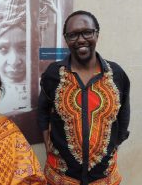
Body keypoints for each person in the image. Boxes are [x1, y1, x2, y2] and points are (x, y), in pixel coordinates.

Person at [38, 10, 130, 185]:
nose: (80, 40)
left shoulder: (116, 74)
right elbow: (42, 109)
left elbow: (124, 112)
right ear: (66, 39)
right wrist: (45, 138)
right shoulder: (54, 74)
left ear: (96, 33)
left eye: (87, 32)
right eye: (73, 35)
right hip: (62, 175)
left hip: (103, 176)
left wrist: (114, 144)